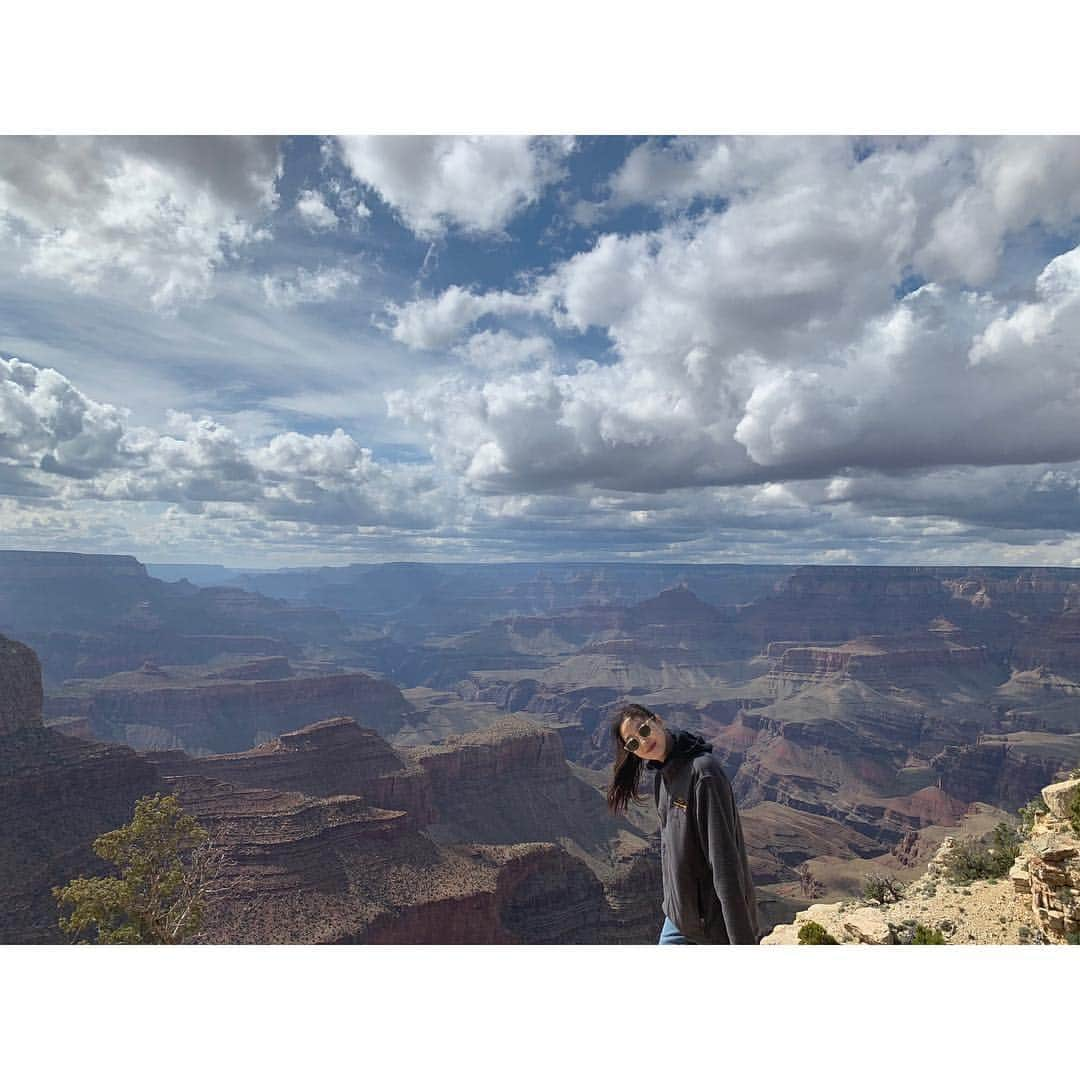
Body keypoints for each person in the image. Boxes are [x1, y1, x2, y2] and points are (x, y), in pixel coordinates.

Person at [607, 703, 761, 944]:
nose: (643, 742)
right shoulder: (663, 777)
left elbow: (725, 866)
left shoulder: (703, 773)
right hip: (679, 916)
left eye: (644, 730)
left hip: (709, 923)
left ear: (657, 720)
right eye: (633, 743)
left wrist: (741, 941)